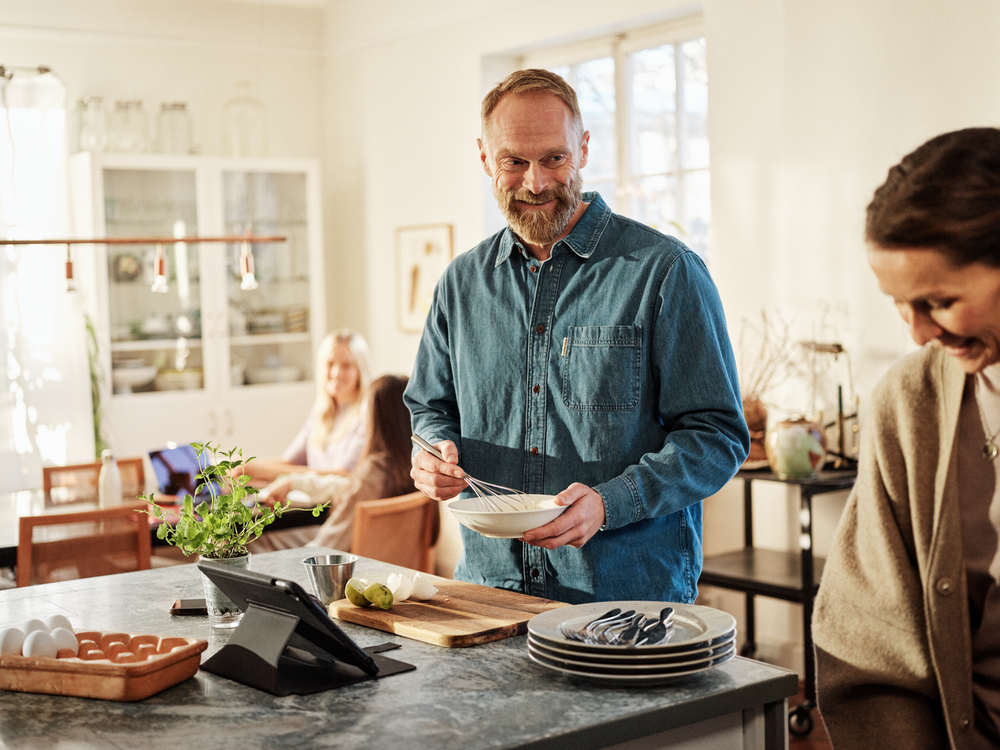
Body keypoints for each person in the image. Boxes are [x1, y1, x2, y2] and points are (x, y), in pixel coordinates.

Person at [404, 68, 749, 605]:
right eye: (513, 162)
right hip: (489, 594)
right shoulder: (461, 284)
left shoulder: (666, 272)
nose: (536, 182)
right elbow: (428, 408)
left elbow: (717, 436)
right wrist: (430, 453)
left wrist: (612, 502)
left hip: (626, 599)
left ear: (583, 149)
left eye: (554, 159)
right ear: (484, 159)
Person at [812, 127, 1000, 749]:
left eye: (941, 302)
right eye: (899, 304)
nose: (919, 333)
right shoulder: (909, 401)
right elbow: (868, 641)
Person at [255, 374, 417, 552]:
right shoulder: (411, 468)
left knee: (248, 542)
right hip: (389, 566)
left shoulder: (373, 472)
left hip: (343, 566)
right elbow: (351, 488)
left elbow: (329, 545)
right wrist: (294, 482)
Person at [247, 329, 372, 484]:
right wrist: (248, 465)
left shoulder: (366, 416)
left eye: (346, 366)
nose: (336, 373)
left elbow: (343, 474)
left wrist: (263, 470)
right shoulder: (321, 413)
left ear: (360, 370)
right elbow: (290, 462)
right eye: (330, 364)